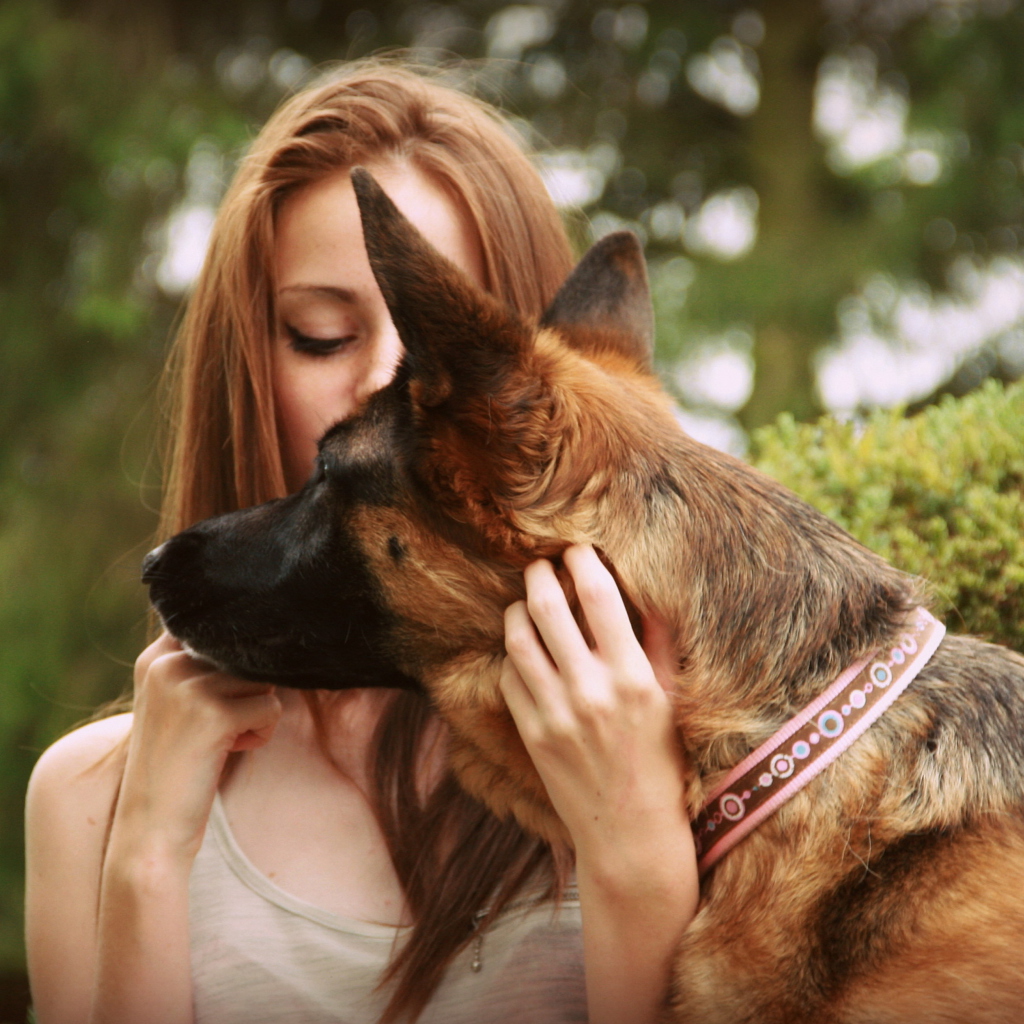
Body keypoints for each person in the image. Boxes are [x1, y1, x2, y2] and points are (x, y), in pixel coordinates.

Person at [24, 61, 699, 1024]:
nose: (392, 380)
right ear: (247, 369)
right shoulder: (91, 792)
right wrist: (147, 855)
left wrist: (636, 846)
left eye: (443, 344)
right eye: (321, 335)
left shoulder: (672, 739)